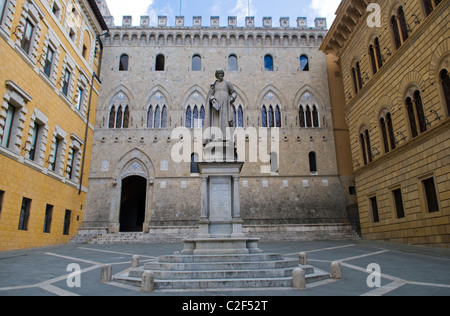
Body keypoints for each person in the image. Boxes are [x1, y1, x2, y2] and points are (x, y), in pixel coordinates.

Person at [204, 69, 237, 141]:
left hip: (225, 105)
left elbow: (234, 92)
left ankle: (226, 137)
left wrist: (232, 98)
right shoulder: (214, 84)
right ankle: (216, 137)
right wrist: (213, 99)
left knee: (225, 120)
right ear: (217, 75)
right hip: (216, 106)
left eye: (222, 74)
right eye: (219, 74)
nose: (221, 75)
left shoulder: (227, 83)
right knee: (216, 121)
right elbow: (210, 94)